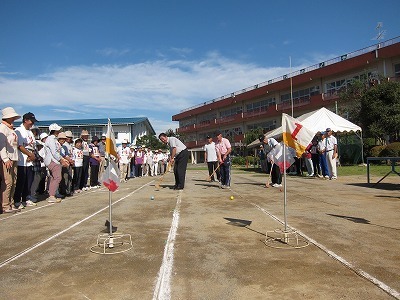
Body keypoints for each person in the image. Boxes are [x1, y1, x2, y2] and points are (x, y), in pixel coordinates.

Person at [14, 112, 38, 208]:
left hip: (30, 160)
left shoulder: (30, 132)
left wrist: (32, 155)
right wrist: (29, 154)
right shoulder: (19, 130)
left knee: (29, 181)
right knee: (21, 182)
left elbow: (33, 146)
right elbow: (19, 146)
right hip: (22, 160)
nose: (32, 123)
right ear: (26, 120)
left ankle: (25, 199)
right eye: (31, 121)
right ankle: (17, 200)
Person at [0, 107, 22, 213]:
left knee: (13, 182)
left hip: (14, 158)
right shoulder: (2, 128)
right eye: (12, 117)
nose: (13, 118)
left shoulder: (11, 129)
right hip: (7, 159)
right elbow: (2, 145)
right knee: (7, 182)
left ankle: (11, 203)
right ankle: (5, 205)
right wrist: (5, 158)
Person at [44, 123, 69, 203]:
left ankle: (52, 194)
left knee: (53, 178)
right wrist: (61, 160)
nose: (59, 131)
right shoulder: (51, 139)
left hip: (55, 160)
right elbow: (54, 152)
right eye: (58, 130)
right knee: (57, 178)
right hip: (53, 161)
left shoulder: (54, 139)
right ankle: (51, 195)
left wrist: (62, 159)